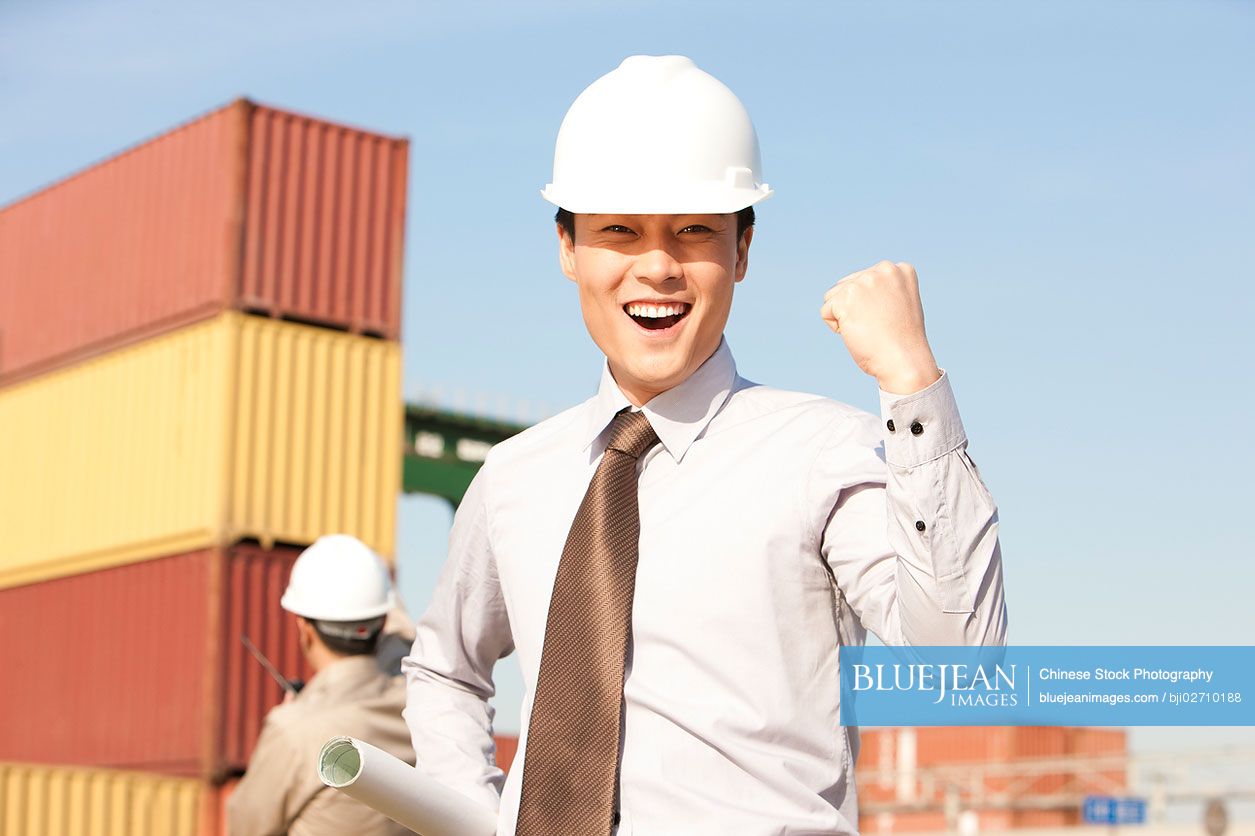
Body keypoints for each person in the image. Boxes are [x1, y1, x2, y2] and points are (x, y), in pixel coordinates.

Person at [403, 55, 1007, 835]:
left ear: (742, 251)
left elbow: (956, 673)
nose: (656, 266)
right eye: (618, 230)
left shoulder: (824, 455)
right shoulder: (514, 476)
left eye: (693, 231)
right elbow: (443, 669)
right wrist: (471, 818)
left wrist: (911, 381)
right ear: (567, 248)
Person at [228, 534, 416, 836]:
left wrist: (299, 712)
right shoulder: (423, 699)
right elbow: (402, 633)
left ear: (305, 630)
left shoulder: (293, 731)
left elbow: (244, 828)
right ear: (381, 622)